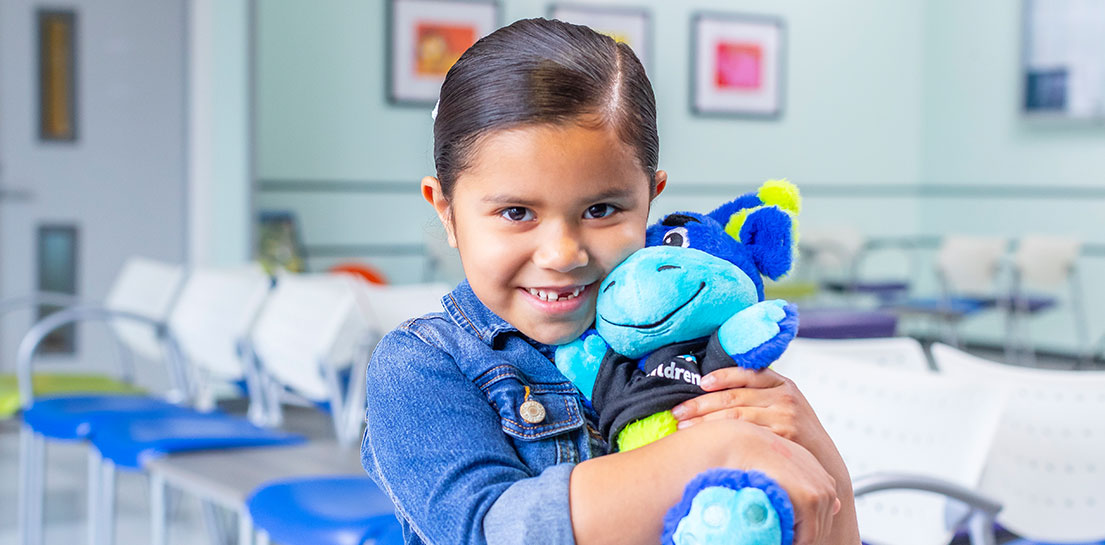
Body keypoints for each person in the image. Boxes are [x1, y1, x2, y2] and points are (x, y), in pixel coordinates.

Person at [361, 17, 859, 545]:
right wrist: (719, 450)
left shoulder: (699, 344)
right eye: (515, 212)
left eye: (601, 209)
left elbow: (828, 524)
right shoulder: (421, 364)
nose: (561, 254)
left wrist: (818, 460)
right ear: (446, 212)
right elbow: (488, 530)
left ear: (651, 197)